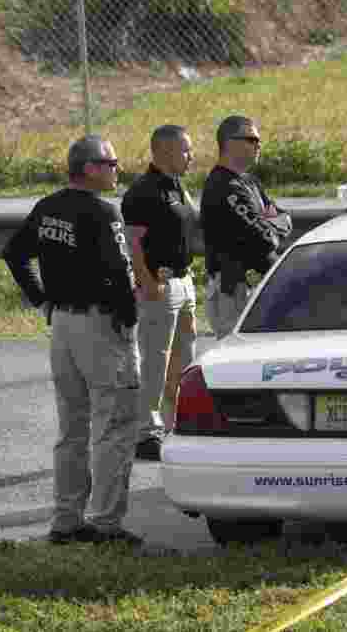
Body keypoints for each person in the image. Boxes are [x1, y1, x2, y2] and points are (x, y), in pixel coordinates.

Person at [3, 135, 142, 545]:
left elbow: (14, 252)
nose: (117, 170)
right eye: (112, 163)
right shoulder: (104, 211)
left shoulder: (49, 206)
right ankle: (104, 523)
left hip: (62, 324)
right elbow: (120, 273)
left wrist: (42, 301)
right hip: (101, 326)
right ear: (91, 168)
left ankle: (66, 520)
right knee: (115, 424)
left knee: (73, 426)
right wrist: (129, 323)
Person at [121, 125, 199, 461]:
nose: (191, 156)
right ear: (165, 152)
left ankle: (175, 423)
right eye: (186, 150)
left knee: (183, 355)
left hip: (184, 281)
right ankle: (146, 432)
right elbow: (132, 241)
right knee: (155, 357)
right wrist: (147, 281)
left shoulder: (177, 186)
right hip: (159, 285)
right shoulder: (143, 191)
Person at [200, 116, 292, 339]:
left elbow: (286, 219)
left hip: (256, 286)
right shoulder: (224, 186)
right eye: (251, 139)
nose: (258, 144)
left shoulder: (248, 181)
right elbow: (265, 240)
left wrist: (269, 222)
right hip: (234, 289)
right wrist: (269, 222)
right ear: (230, 143)